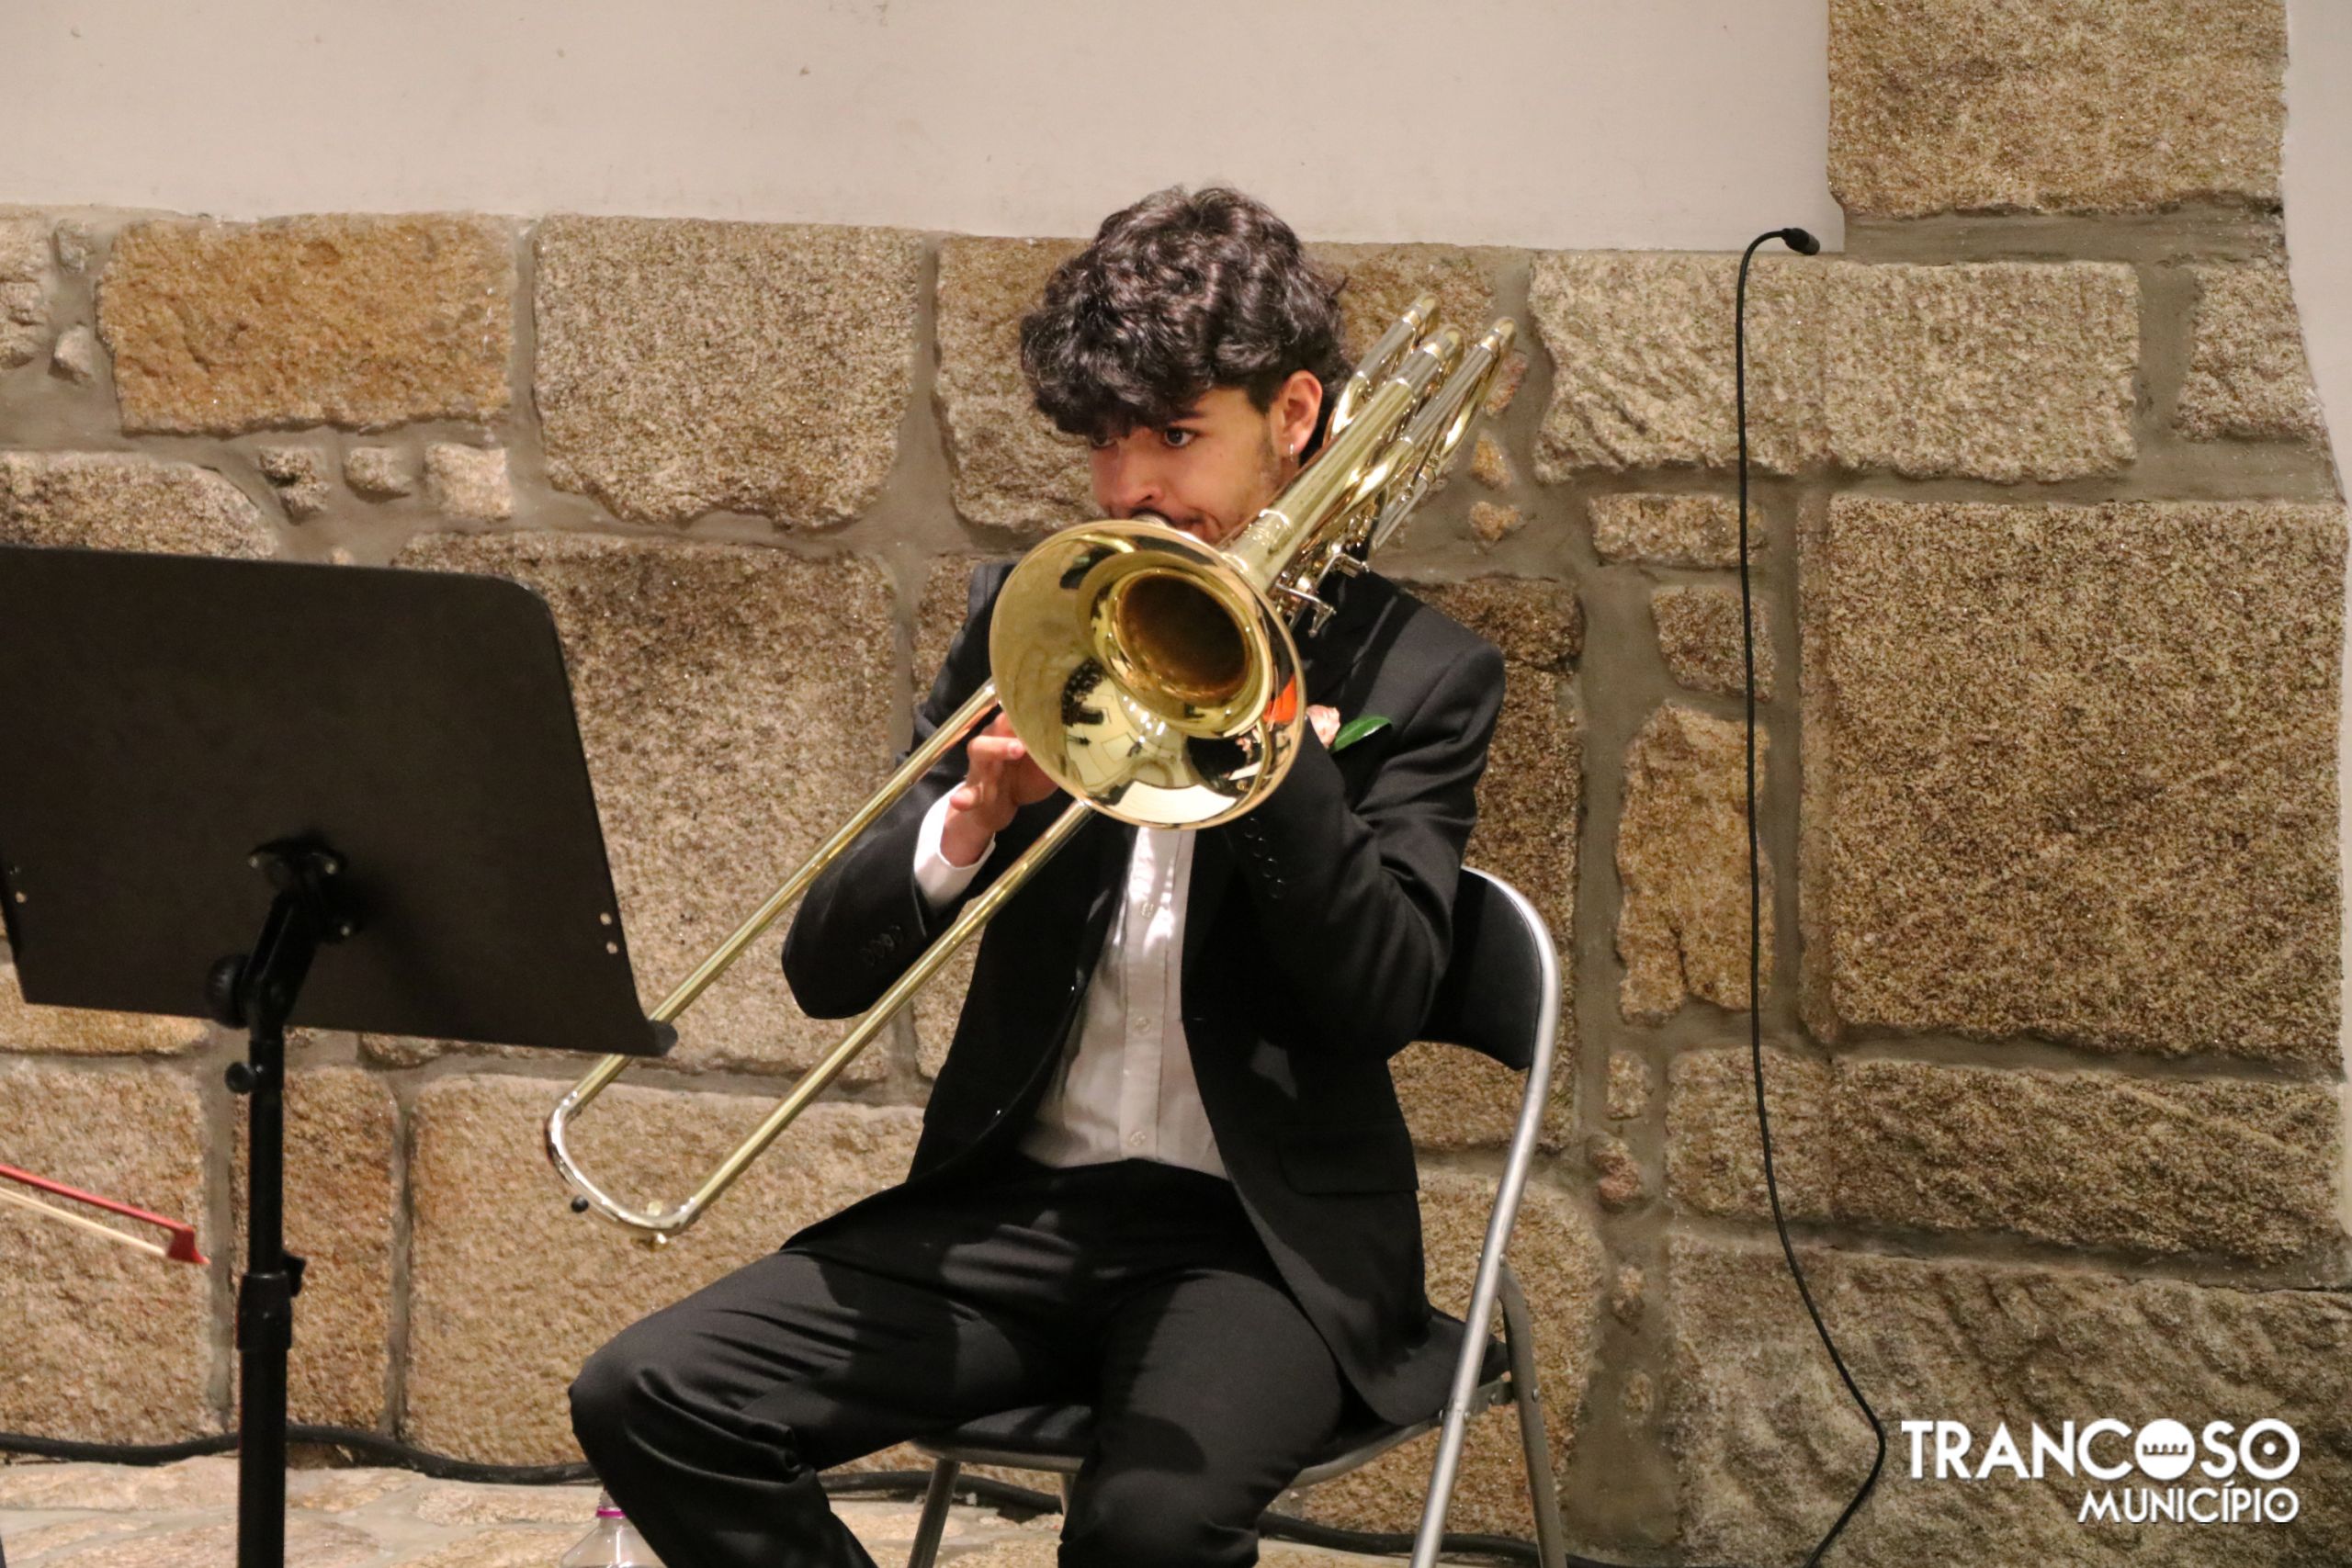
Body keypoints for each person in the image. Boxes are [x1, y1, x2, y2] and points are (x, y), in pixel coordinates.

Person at [570, 185, 1510, 1568]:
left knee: (1146, 1528)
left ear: (1296, 416)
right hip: (1014, 1215)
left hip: (1257, 1246)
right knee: (648, 1394)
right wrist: (968, 817)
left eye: (1176, 436)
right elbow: (823, 971)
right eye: (1106, 444)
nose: (1131, 490)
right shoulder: (1043, 616)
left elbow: (1379, 999)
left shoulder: (1420, 675)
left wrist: (1282, 762)